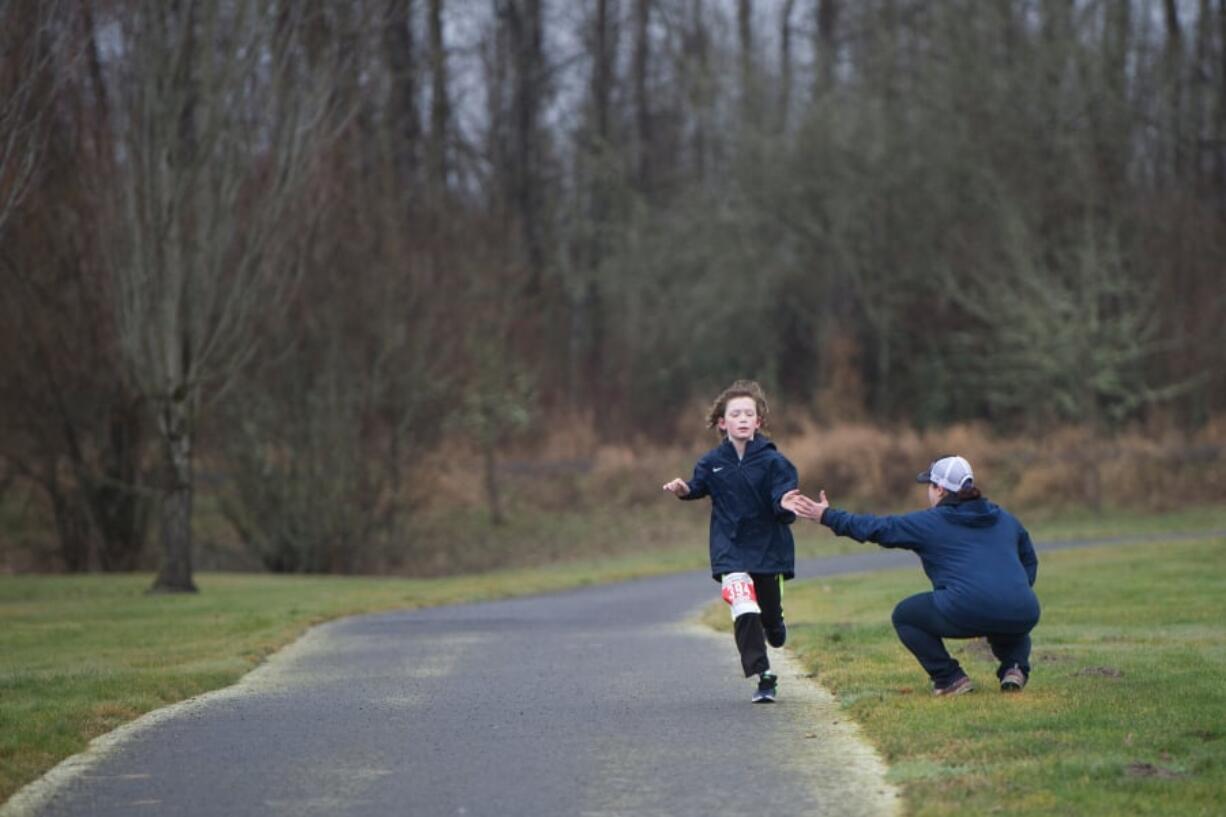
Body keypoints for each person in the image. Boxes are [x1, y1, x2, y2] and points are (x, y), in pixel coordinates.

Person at [783, 455, 1039, 697]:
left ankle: (949, 679)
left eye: (929, 485)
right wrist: (1017, 589)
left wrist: (827, 516)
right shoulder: (1005, 518)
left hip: (967, 608)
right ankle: (1014, 668)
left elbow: (878, 529)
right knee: (1008, 610)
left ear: (940, 489)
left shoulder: (931, 523)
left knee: (906, 615)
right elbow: (1029, 558)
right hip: (1023, 609)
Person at [662, 380, 808, 703]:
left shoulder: (775, 462)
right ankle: (763, 674)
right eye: (735, 414)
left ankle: (776, 620)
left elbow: (782, 495)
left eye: (749, 414)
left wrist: (784, 504)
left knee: (768, 616)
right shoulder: (711, 462)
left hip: (768, 547)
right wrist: (683, 490)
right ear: (722, 422)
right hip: (730, 548)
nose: (742, 419)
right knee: (744, 607)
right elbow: (697, 486)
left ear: (759, 422)